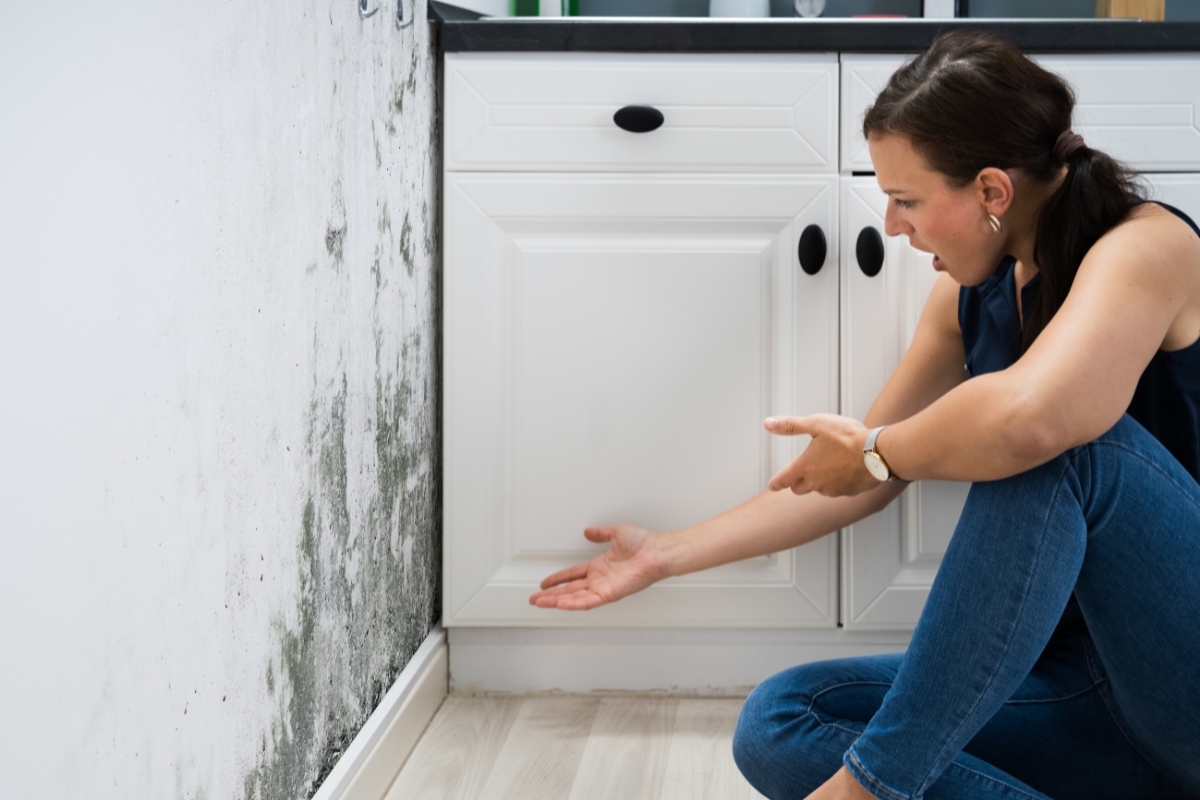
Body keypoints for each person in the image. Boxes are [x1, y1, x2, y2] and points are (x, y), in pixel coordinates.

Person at [529, 31, 1200, 800]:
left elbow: (1031, 423)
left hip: (1182, 684)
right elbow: (861, 472)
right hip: (1080, 691)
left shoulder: (1148, 246)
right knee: (785, 719)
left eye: (907, 199)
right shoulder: (966, 295)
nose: (890, 224)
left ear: (991, 191)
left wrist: (881, 451)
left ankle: (868, 790)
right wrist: (665, 554)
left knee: (1059, 453)